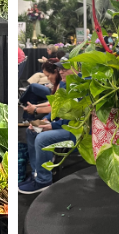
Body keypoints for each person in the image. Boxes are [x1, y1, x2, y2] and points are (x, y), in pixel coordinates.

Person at [19, 61, 77, 194]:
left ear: (77, 69)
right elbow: (57, 107)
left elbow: (75, 119)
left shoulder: (80, 88)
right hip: (63, 124)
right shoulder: (63, 84)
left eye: (65, 68)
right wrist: (47, 119)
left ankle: (43, 181)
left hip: (75, 129)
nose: (61, 71)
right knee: (31, 131)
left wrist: (50, 125)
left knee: (42, 138)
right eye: (59, 68)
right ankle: (36, 172)